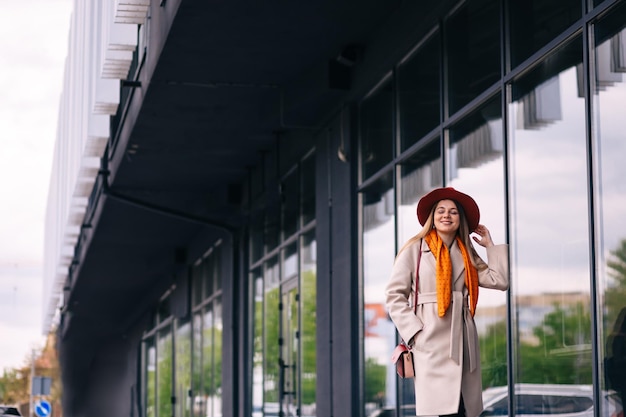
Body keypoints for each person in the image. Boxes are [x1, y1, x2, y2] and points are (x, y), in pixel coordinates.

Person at [385, 187, 509, 417]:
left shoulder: (466, 252)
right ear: (432, 217)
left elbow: (499, 280)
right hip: (429, 335)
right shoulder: (415, 249)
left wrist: (490, 246)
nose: (446, 215)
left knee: (464, 408)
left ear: (459, 218)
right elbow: (394, 295)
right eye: (441, 210)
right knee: (438, 409)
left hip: (462, 335)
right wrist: (415, 332)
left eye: (453, 212)